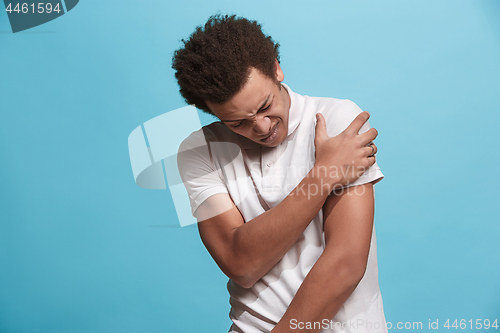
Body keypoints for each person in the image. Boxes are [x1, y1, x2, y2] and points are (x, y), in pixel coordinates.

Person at [173, 14, 387, 333]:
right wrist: (323, 176)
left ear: (276, 69)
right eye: (238, 123)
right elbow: (240, 264)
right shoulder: (197, 149)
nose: (262, 127)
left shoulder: (337, 119)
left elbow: (346, 263)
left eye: (264, 106)